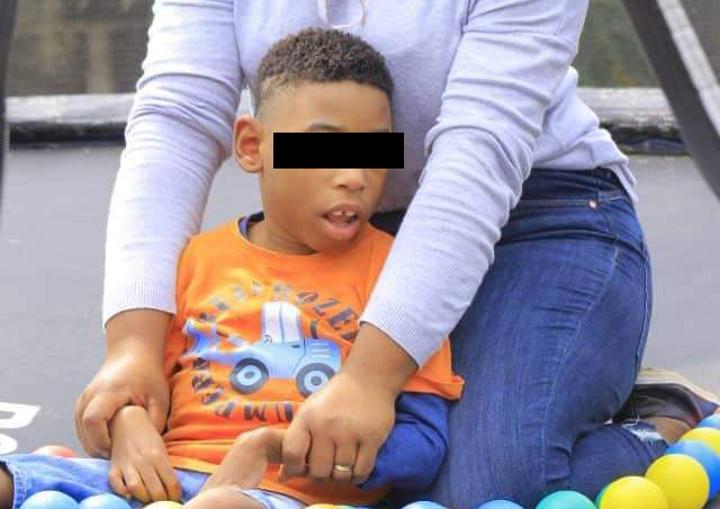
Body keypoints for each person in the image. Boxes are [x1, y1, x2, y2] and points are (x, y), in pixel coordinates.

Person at [75, 1, 720, 507]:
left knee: (484, 491)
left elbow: (480, 149)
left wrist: (370, 378)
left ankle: (660, 420)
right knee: (340, 470)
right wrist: (133, 346)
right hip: (349, 229)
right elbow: (179, 117)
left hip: (542, 214)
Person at [0, 29, 462, 509]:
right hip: (168, 481)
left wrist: (275, 447)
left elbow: (423, 446)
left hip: (284, 497)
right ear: (251, 145)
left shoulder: (403, 278)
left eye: (375, 153)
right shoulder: (195, 261)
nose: (354, 177)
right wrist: (127, 422)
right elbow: (143, 390)